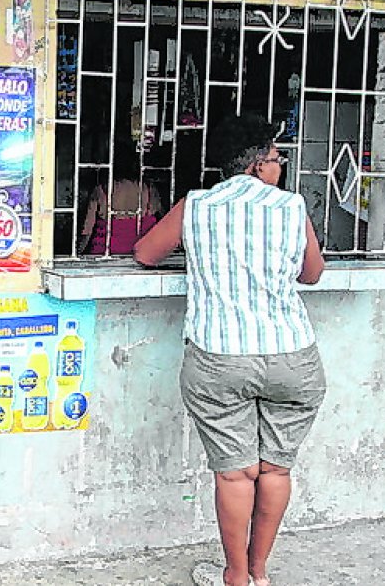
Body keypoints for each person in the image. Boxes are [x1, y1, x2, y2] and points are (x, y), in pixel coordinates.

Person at [134, 114, 325, 586]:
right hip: (292, 355)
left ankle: (235, 576)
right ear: (259, 165)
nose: (280, 167)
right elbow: (312, 272)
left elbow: (144, 253)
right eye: (278, 159)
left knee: (236, 475)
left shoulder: (196, 205)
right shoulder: (291, 207)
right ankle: (260, 572)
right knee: (275, 470)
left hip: (219, 355)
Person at [79, 151, 162, 256]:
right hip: (143, 251)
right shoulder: (148, 187)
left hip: (107, 251)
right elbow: (162, 218)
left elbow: (87, 229)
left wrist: (76, 254)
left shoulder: (102, 189)